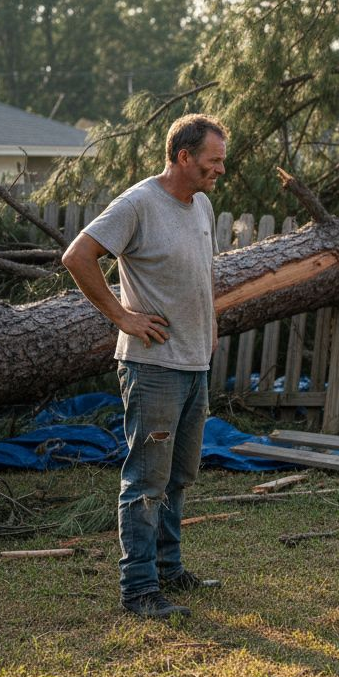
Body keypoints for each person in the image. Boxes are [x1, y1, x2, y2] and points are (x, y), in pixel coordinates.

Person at [61, 113, 228, 619]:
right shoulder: (137, 204)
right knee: (146, 480)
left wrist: (211, 333)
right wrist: (122, 316)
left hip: (194, 362)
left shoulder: (201, 204)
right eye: (212, 161)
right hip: (153, 367)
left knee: (179, 474)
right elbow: (78, 256)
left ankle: (169, 568)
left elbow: (201, 277)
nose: (220, 170)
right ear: (183, 157)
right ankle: (138, 590)